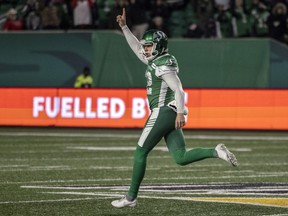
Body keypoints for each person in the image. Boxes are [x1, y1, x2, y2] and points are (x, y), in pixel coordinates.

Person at [111, 8, 238, 208]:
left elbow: (179, 89)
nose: (145, 49)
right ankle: (216, 151)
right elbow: (136, 48)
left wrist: (180, 111)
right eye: (145, 46)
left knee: (140, 153)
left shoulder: (163, 63)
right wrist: (125, 27)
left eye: (149, 46)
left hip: (163, 110)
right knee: (181, 157)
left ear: (158, 47)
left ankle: (131, 197)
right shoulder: (155, 60)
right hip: (168, 111)